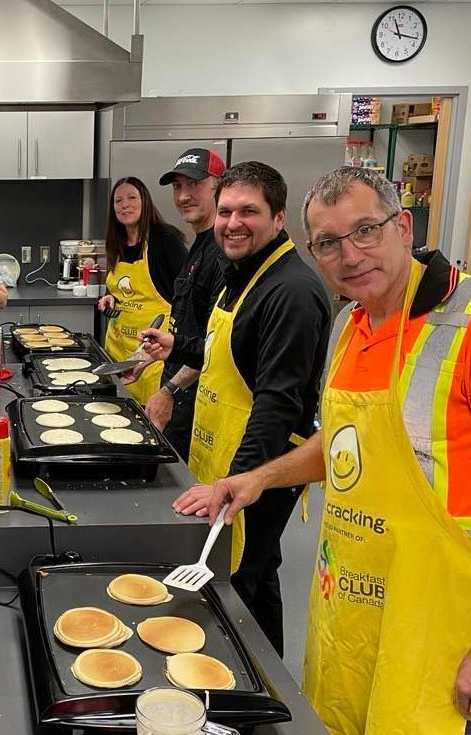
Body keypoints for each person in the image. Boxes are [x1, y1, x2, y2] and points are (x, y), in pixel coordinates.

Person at [198, 166, 471, 734]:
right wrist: (260, 479)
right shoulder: (351, 322)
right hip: (345, 602)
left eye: (365, 230)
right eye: (329, 242)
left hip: (435, 625)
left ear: (404, 225)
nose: (350, 255)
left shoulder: (461, 327)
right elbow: (349, 443)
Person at [145, 161, 331, 656]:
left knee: (240, 581)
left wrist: (237, 485)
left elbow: (277, 402)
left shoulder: (290, 291)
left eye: (249, 211)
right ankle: (267, 681)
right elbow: (224, 353)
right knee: (256, 571)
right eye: (226, 210)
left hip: (261, 467)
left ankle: (244, 686)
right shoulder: (242, 275)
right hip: (224, 453)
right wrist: (178, 345)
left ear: (279, 218)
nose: (233, 222)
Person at [137, 148, 227, 461]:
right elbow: (186, 327)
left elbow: (213, 347)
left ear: (220, 186)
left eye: (194, 185)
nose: (184, 196)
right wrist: (144, 359)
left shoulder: (222, 256)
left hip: (195, 404)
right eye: (178, 187)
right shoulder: (199, 245)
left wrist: (169, 391)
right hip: (177, 394)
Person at [97, 176, 187, 404]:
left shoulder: (165, 240)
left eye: (131, 198)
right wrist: (111, 298)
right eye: (118, 200)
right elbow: (122, 289)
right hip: (118, 349)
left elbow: (187, 294)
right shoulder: (116, 242)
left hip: (152, 354)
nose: (124, 204)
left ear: (145, 201)